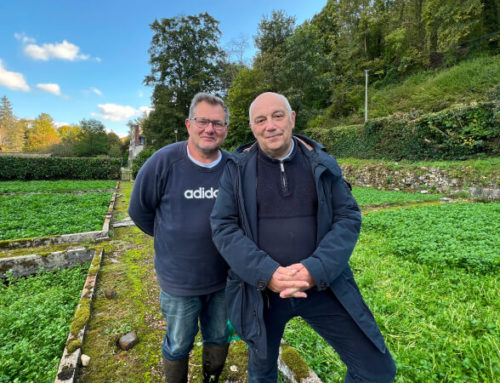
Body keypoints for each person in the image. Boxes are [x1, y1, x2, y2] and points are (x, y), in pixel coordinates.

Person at [210, 92, 396, 383]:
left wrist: (315, 269)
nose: (270, 125)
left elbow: (347, 217)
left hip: (323, 286)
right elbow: (223, 226)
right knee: (261, 375)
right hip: (262, 295)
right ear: (252, 127)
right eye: (260, 119)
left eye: (277, 116)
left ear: (292, 118)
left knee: (377, 369)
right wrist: (266, 272)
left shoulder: (322, 163)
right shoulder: (236, 169)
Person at [129, 93, 231, 383]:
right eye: (202, 121)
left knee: (219, 335)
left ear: (225, 129)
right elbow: (140, 211)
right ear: (189, 124)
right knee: (178, 342)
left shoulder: (234, 168)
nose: (209, 129)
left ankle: (211, 377)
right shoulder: (163, 162)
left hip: (224, 278)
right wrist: (172, 239)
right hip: (179, 281)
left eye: (218, 123)